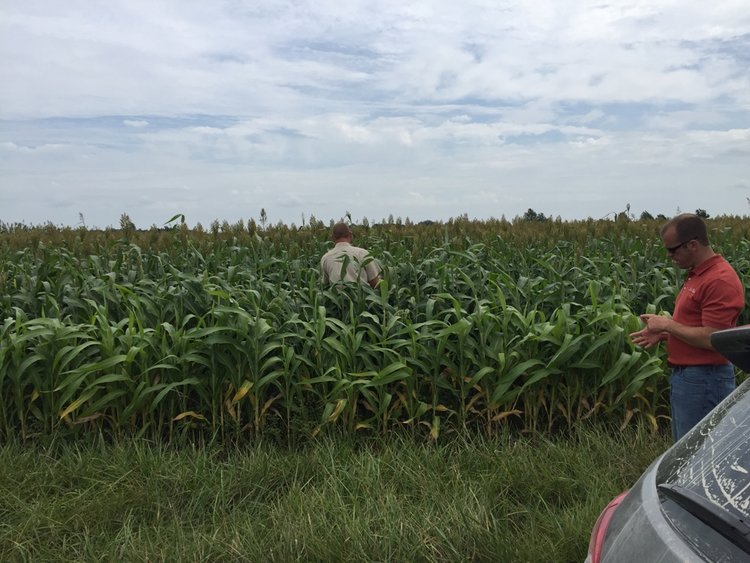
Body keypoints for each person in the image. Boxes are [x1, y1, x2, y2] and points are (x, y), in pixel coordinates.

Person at [630, 213, 744, 441]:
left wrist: (668, 325)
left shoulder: (719, 279)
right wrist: (664, 334)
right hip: (691, 379)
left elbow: (714, 337)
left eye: (673, 250)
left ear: (693, 244)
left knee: (699, 455)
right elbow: (698, 327)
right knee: (685, 452)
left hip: (705, 381)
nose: (669, 256)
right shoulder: (698, 274)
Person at [320, 222, 382, 288]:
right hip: (361, 297)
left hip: (337, 298)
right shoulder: (362, 253)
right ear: (350, 234)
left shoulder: (325, 258)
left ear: (332, 237)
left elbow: (325, 285)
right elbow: (375, 283)